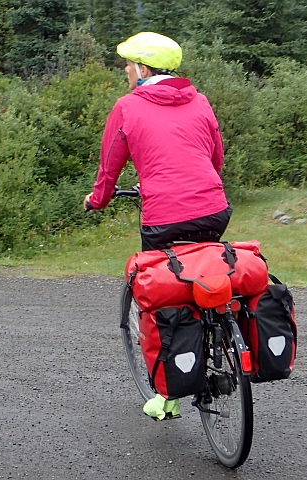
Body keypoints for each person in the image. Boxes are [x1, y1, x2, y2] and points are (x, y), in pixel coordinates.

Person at [84, 32, 231, 421]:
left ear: (143, 69)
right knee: (205, 271)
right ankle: (224, 337)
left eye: (128, 67)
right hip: (214, 208)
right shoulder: (199, 100)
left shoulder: (128, 107)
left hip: (164, 217)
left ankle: (168, 395)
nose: (126, 74)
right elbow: (215, 158)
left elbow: (110, 165)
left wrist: (97, 201)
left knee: (160, 295)